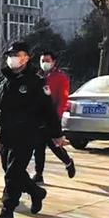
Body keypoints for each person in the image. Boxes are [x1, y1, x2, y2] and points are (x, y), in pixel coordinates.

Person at [0, 42, 63, 218]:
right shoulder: (3, 79)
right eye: (10, 55)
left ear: (26, 58)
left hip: (27, 133)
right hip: (7, 133)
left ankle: (7, 211)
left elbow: (48, 110)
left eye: (17, 54)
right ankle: (36, 192)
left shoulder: (36, 81)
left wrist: (56, 133)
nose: (12, 58)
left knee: (13, 174)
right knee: (12, 171)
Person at [32, 51, 76, 184]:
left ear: (53, 62)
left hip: (52, 117)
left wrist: (57, 116)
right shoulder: (37, 76)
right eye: (42, 61)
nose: (44, 63)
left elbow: (63, 99)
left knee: (54, 145)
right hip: (38, 117)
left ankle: (68, 162)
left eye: (47, 60)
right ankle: (38, 174)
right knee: (38, 146)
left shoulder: (60, 77)